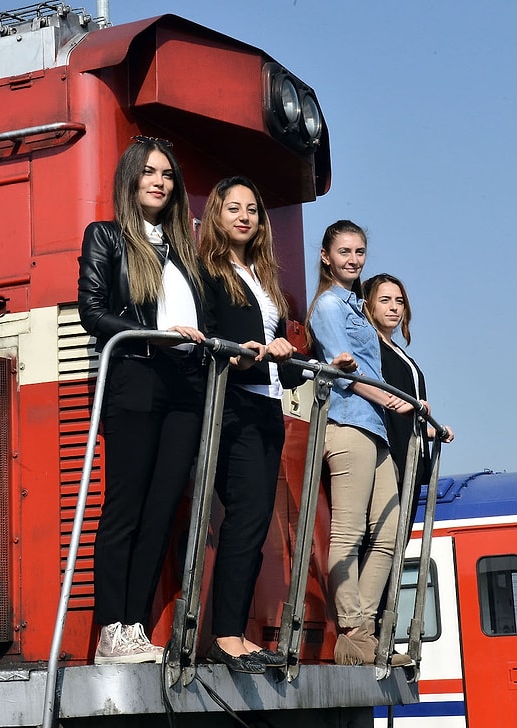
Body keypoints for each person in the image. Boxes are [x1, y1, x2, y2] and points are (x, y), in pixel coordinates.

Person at [77, 136, 206, 664]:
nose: (160, 182)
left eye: (168, 175)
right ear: (130, 180)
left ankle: (134, 624)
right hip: (135, 380)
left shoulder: (184, 252)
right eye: (150, 172)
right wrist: (152, 336)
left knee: (160, 513)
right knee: (125, 509)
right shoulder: (106, 237)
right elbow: (93, 310)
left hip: (184, 389)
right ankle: (112, 629)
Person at [197, 176, 300, 673]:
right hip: (234, 403)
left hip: (268, 403)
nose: (244, 216)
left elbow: (275, 347)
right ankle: (226, 636)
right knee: (244, 516)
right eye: (233, 207)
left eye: (253, 209)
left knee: (256, 522)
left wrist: (305, 360)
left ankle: (236, 632)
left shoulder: (262, 276)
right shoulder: (209, 273)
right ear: (215, 214)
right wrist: (246, 358)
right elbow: (211, 340)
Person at [305, 220, 414, 667]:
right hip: (349, 424)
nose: (354, 259)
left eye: (360, 252)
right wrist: (385, 395)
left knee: (388, 534)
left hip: (377, 428)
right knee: (348, 533)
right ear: (327, 257)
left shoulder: (355, 305)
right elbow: (342, 371)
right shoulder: (329, 306)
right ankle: (353, 628)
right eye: (345, 251)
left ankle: (362, 629)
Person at [362, 274, 454, 523]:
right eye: (385, 300)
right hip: (390, 459)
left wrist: (430, 431)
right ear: (368, 304)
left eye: (399, 301)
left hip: (411, 461)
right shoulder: (371, 350)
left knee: (399, 543)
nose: (394, 307)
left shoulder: (399, 352)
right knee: (382, 539)